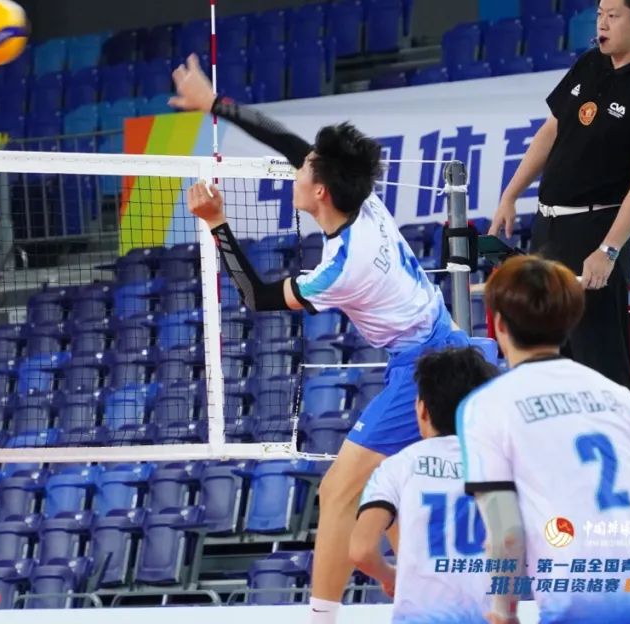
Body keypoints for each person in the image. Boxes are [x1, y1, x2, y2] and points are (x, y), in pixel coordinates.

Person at [174, 54, 469, 623]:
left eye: (305, 169)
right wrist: (214, 105)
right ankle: (426, 598)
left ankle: (323, 616)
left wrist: (215, 223)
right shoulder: (363, 203)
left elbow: (259, 297)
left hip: (426, 365)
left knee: (337, 492)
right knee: (393, 496)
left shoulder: (343, 268)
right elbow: (288, 141)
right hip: (434, 347)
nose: (296, 170)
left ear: (323, 192)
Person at [457, 255, 630, 624]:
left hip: (579, 602)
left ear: (499, 325)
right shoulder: (615, 394)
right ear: (571, 320)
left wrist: (504, 611)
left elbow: (507, 533)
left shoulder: (486, 405)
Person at [489, 0, 630, 389]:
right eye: (600, 14)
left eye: (613, 16)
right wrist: (510, 194)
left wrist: (608, 250)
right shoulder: (590, 63)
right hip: (548, 228)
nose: (602, 24)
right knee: (547, 355)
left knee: (599, 361)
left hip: (594, 231)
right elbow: (551, 130)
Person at [350, 347, 499, 624]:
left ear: (421, 409)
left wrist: (391, 575)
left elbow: (361, 551)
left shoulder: (397, 466)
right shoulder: (501, 466)